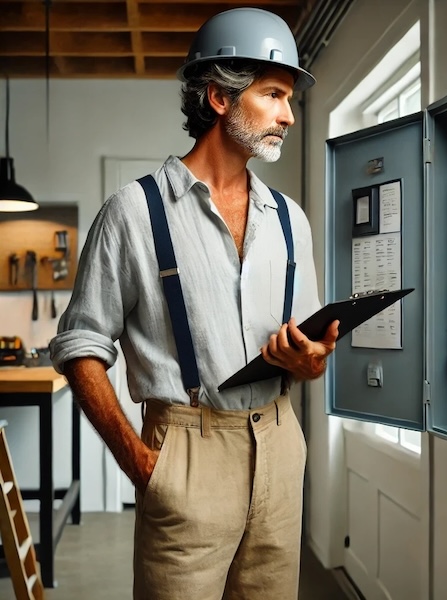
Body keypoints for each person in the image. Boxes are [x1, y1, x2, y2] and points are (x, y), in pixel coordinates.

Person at [49, 7, 339, 600]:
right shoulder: (133, 212)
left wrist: (311, 361)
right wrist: (142, 464)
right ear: (219, 98)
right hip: (184, 451)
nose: (288, 114)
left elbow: (310, 354)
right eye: (274, 95)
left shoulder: (291, 222)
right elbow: (80, 346)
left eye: (288, 99)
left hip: (280, 449)